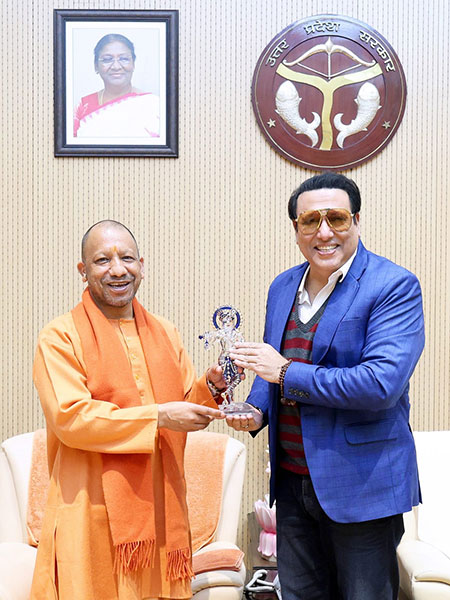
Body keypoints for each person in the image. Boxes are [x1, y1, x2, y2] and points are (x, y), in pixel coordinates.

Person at [226, 172, 425, 600]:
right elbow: (272, 365)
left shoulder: (393, 285)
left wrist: (284, 372)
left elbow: (380, 384)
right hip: (292, 485)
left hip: (363, 485)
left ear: (356, 220)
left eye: (336, 218)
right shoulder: (283, 286)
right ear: (295, 228)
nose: (324, 232)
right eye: (310, 221)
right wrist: (256, 409)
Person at [31, 220, 229, 600]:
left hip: (159, 512)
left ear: (142, 265)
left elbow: (184, 407)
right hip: (88, 512)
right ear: (83, 270)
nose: (117, 270)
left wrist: (212, 387)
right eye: (102, 260)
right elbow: (72, 418)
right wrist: (158, 417)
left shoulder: (165, 332)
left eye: (126, 258)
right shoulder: (60, 336)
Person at [73, 33, 160, 138]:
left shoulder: (154, 105)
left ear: (133, 64)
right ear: (96, 66)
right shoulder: (84, 106)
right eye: (107, 59)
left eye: (124, 59)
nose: (116, 66)